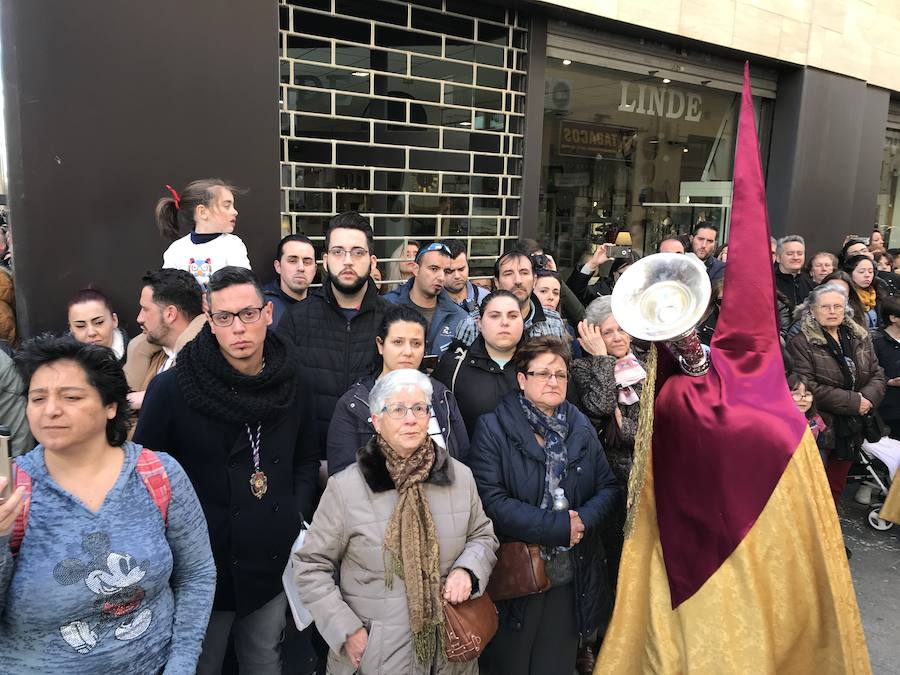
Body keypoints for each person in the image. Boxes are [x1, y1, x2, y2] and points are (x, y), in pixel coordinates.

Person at [134, 267, 320, 674]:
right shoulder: (174, 389)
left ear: (268, 313)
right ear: (209, 319)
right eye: (225, 317)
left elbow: (306, 457)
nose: (239, 328)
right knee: (202, 663)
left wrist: (293, 511)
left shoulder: (293, 381)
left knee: (264, 659)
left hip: (269, 556)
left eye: (248, 314)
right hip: (202, 562)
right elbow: (146, 474)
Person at [0, 336, 216, 673]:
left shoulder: (157, 473)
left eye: (71, 397)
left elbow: (197, 574)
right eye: (37, 398)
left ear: (110, 406)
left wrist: (182, 664)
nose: (50, 409)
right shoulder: (11, 491)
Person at [293, 369, 498, 674]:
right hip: (376, 657)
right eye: (398, 409)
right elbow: (310, 567)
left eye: (419, 408)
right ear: (376, 420)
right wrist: (347, 631)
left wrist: (468, 570)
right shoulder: (347, 487)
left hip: (451, 657)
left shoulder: (458, 476)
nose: (411, 419)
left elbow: (483, 535)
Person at [468, 336, 622, 675]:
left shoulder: (579, 424)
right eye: (543, 374)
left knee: (556, 663)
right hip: (516, 575)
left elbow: (608, 488)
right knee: (511, 663)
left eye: (561, 374)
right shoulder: (493, 427)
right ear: (522, 380)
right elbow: (490, 501)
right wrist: (557, 527)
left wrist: (580, 522)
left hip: (572, 573)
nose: (554, 381)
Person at [276, 211, 390, 456]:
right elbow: (280, 397)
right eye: (338, 252)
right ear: (325, 261)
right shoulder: (296, 319)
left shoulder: (393, 319)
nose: (347, 261)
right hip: (312, 461)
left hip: (380, 461)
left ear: (372, 262)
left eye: (357, 252)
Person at [327, 304, 469, 475]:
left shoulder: (441, 396)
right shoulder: (355, 403)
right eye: (398, 342)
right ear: (380, 345)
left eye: (416, 343)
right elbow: (342, 476)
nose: (407, 352)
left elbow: (462, 461)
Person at [787, 283, 886, 507]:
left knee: (835, 488)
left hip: (853, 427)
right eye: (825, 307)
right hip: (821, 427)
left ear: (845, 310)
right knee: (813, 492)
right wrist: (854, 402)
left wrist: (867, 400)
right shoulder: (801, 342)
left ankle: (830, 538)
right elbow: (807, 385)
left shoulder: (860, 336)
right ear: (812, 310)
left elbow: (878, 374)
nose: (832, 311)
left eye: (837, 307)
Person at [433, 290, 524, 437]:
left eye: (513, 316)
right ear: (479, 323)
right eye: (495, 316)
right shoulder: (454, 366)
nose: (505, 322)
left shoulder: (539, 365)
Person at [123, 269, 205, 412]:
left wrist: (152, 397)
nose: (139, 318)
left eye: (145, 309)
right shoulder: (151, 355)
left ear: (170, 314)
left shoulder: (209, 365)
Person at [455, 248, 566, 346]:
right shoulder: (473, 324)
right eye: (508, 274)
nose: (518, 281)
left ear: (535, 280)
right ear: (497, 282)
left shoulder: (553, 321)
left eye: (524, 273)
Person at [156, 179, 251, 287]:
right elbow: (167, 289)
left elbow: (244, 285)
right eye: (226, 206)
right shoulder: (176, 250)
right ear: (202, 212)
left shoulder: (233, 245)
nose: (235, 212)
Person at [384, 242, 469, 357]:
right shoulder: (386, 306)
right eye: (434, 269)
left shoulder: (460, 318)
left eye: (446, 271)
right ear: (415, 269)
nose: (441, 277)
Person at [264, 233, 317, 325]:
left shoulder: (322, 306)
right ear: (278, 266)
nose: (301, 268)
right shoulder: (260, 304)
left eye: (307, 262)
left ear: (315, 269)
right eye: (292, 261)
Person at [565, 244, 640, 305]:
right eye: (623, 275)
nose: (628, 280)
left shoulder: (646, 293)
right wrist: (593, 263)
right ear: (614, 273)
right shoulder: (601, 290)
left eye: (633, 276)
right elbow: (574, 293)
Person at [67, 288, 127, 362]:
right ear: (71, 328)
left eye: (99, 322)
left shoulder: (136, 355)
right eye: (80, 326)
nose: (91, 333)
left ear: (114, 320)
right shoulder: (60, 363)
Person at [533, 269, 582, 358]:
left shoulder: (567, 329)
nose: (551, 297)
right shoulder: (522, 325)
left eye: (556, 293)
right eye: (543, 291)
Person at [872, 295, 900, 439]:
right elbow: (869, 370)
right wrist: (889, 381)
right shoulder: (875, 340)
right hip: (888, 409)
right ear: (893, 318)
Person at [443, 238, 490, 313]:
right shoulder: (431, 301)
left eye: (461, 269)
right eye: (450, 271)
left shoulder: (485, 297)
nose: (457, 276)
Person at [773, 235, 815, 309]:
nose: (795, 257)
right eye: (790, 254)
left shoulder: (814, 287)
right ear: (778, 258)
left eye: (800, 253)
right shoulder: (769, 285)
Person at [842, 253, 881, 328]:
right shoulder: (845, 297)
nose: (867, 275)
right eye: (861, 272)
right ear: (849, 273)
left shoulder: (877, 294)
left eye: (870, 272)